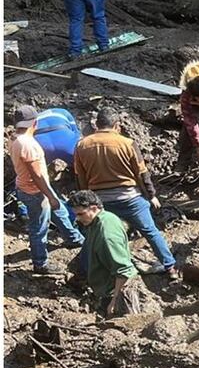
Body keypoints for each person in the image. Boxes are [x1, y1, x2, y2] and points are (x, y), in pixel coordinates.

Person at [73, 107, 177, 279]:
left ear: (96, 125)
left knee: (93, 236)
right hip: (131, 199)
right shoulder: (127, 143)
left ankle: (82, 274)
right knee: (150, 231)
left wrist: (86, 202)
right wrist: (151, 195)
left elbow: (80, 177)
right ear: (117, 126)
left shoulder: (82, 145)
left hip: (100, 203)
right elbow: (142, 173)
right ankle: (170, 267)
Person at [8, 105, 84, 274]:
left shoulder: (14, 139)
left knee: (60, 212)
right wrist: (50, 195)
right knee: (39, 228)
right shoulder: (29, 145)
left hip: (27, 187)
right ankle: (40, 263)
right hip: (35, 191)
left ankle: (74, 238)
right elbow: (37, 175)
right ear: (34, 123)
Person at [68, 190, 141, 317]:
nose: (77, 219)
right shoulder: (102, 218)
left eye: (81, 214)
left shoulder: (107, 235)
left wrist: (114, 302)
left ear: (94, 208)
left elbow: (124, 271)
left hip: (113, 292)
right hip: (104, 287)